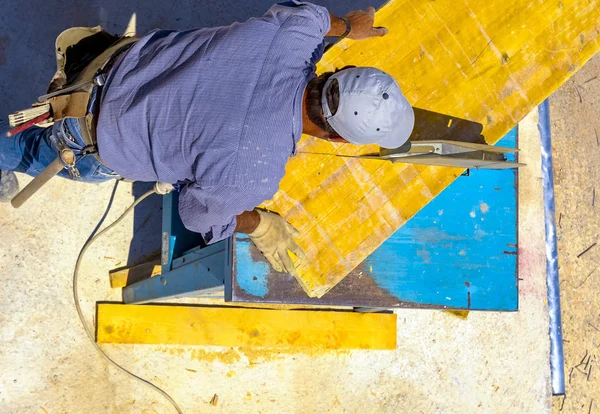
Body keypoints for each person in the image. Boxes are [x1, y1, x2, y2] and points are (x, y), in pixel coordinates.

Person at [0, 1, 415, 275]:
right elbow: (197, 216)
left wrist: (347, 26)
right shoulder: (254, 174)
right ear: (338, 140)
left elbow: (312, 16)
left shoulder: (295, 33)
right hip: (86, 136)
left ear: (341, 71)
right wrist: (256, 223)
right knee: (22, 150)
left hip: (106, 61)